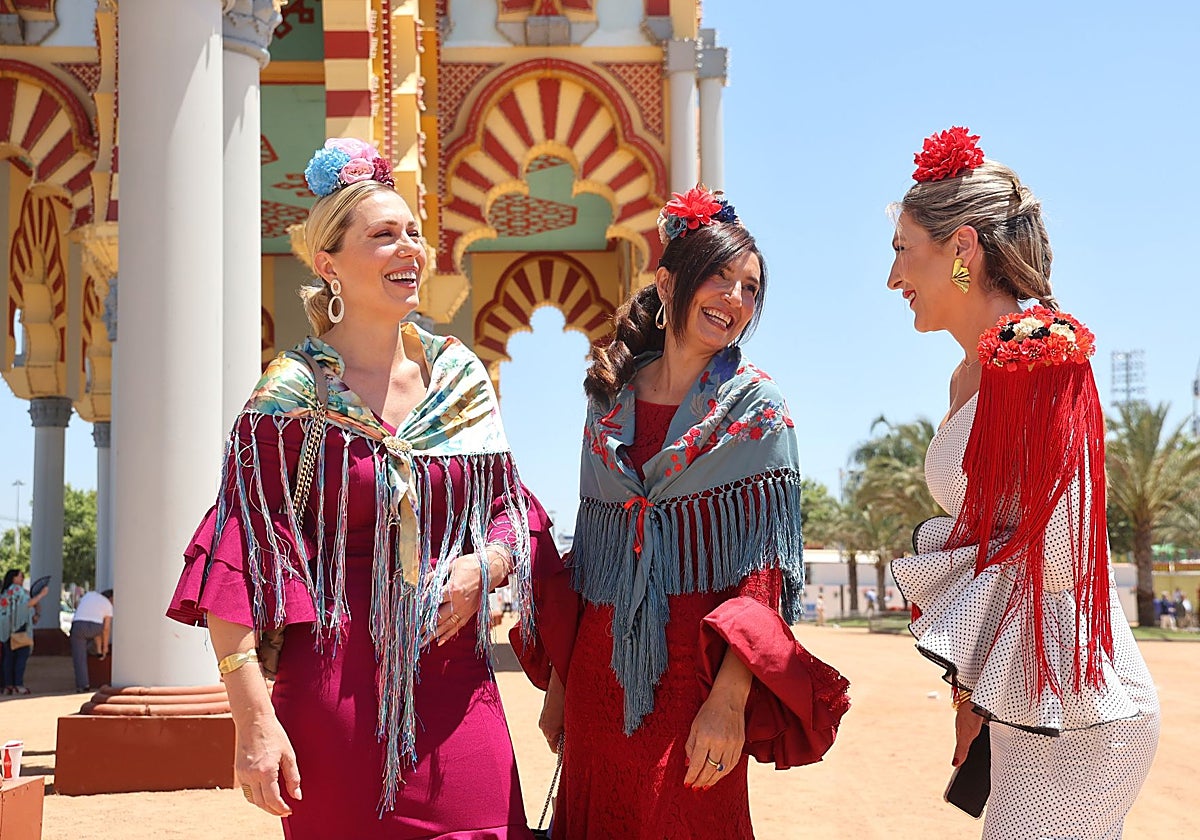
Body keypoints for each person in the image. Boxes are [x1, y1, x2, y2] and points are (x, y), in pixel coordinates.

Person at [167, 138, 556, 838]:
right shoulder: (288, 397)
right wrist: (254, 725)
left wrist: (484, 566)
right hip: (333, 699)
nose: (409, 248)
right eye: (383, 236)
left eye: (414, 233)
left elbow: (510, 511)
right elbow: (237, 560)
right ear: (328, 263)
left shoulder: (460, 380)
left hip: (456, 693)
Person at [524, 187, 850, 839]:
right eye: (720, 277)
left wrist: (729, 702)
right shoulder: (608, 401)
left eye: (750, 289)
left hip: (695, 686)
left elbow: (766, 577)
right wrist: (561, 687)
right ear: (670, 282)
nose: (735, 299)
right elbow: (590, 558)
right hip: (597, 682)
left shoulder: (759, 411)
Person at [886, 127, 1160, 838]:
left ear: (962, 249)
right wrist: (974, 697)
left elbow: (1063, 555)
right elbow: (1003, 540)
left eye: (901, 250)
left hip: (1079, 710)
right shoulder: (970, 372)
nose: (893, 278)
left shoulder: (1040, 353)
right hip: (1030, 702)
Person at [0, 569, 48, 694]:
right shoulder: (17, 591)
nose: (22, 579)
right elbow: (26, 605)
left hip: (5, 630)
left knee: (8, 658)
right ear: (14, 578)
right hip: (19, 629)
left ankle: (8, 685)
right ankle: (18, 684)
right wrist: (41, 594)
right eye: (21, 576)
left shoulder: (5, 592)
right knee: (21, 657)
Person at [70, 588, 114, 692]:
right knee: (98, 631)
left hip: (78, 625)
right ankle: (98, 651)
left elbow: (78, 606)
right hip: (95, 627)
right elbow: (106, 629)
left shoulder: (89, 595)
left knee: (79, 658)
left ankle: (83, 685)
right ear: (111, 598)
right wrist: (105, 647)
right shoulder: (108, 605)